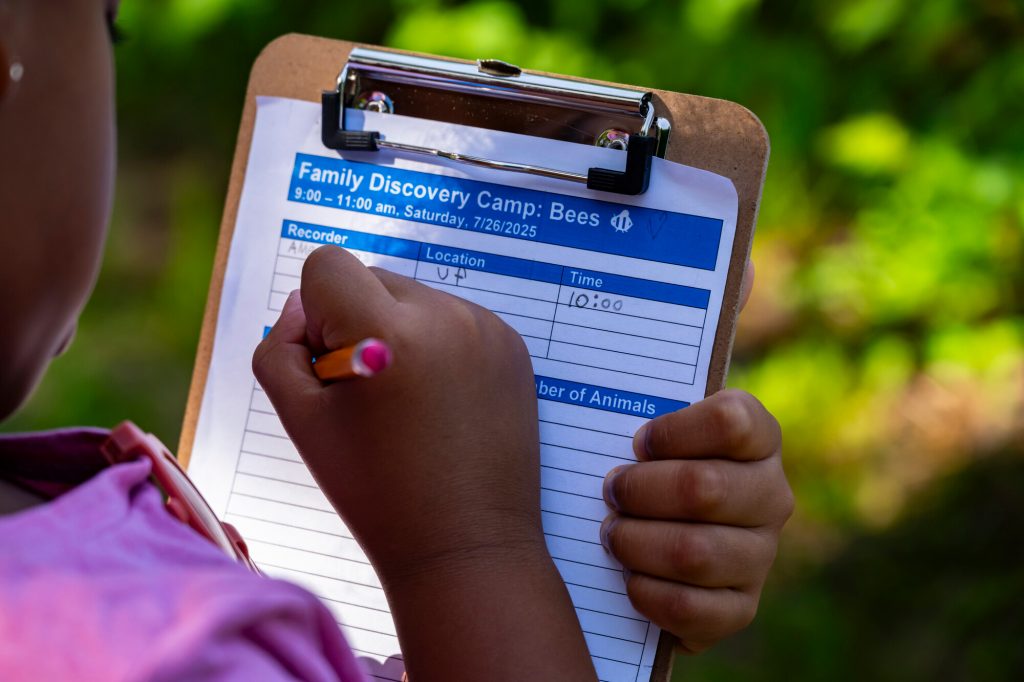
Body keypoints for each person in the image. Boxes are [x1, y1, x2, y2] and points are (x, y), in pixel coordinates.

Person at [0, 1, 794, 680]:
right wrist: (469, 554)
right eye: (111, 23)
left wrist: (595, 616)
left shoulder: (50, 533)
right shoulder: (155, 651)